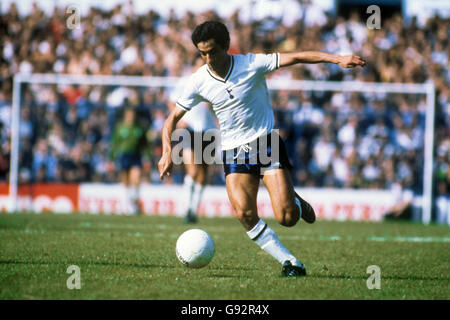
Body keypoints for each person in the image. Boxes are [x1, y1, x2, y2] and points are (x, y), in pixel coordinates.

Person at [158, 21, 365, 277]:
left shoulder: (251, 63)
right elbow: (171, 120)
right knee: (245, 213)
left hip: (265, 144)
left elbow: (298, 56)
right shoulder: (199, 81)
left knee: (287, 217)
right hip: (233, 151)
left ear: (225, 46)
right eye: (203, 53)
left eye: (212, 51)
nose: (208, 58)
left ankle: (295, 204)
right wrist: (167, 151)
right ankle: (290, 262)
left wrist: (337, 59)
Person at [168, 55, 219, 224]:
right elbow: (171, 101)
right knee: (193, 170)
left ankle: (193, 210)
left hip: (208, 130)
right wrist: (179, 119)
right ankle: (185, 208)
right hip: (190, 128)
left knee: (203, 175)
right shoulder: (186, 81)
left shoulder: (214, 82)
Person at [109, 107, 151, 215]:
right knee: (126, 181)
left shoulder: (140, 128)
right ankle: (126, 206)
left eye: (132, 115)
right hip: (124, 155)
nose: (131, 117)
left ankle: (133, 204)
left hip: (136, 155)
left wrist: (147, 157)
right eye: (129, 115)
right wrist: (111, 158)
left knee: (136, 179)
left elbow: (145, 144)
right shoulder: (119, 127)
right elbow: (114, 143)